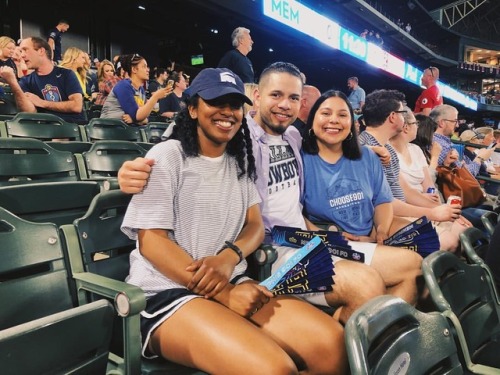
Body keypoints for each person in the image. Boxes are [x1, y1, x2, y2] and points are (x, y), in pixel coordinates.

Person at [118, 62, 421, 325]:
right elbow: (183, 140)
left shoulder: (292, 135)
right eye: (276, 95)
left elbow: (331, 144)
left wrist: (369, 151)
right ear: (257, 97)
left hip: (308, 239)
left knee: (411, 266)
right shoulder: (237, 132)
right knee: (366, 285)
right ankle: (349, 339)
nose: (285, 105)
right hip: (269, 250)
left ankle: (371, 341)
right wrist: (128, 170)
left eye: (293, 98)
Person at [120, 67, 347, 374]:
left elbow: (254, 224)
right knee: (274, 369)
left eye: (234, 104)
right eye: (216, 101)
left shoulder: (237, 160)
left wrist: (230, 258)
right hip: (166, 293)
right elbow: (151, 243)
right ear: (192, 108)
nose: (227, 112)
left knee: (332, 343)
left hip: (232, 279)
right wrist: (224, 294)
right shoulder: (168, 154)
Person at [358, 90, 464, 226]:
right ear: (393, 117)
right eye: (403, 114)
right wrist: (432, 213)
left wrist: (442, 209)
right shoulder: (367, 150)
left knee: (457, 228)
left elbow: (405, 191)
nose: (406, 119)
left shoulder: (387, 148)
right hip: (382, 222)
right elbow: (383, 203)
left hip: (399, 213)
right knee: (453, 236)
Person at [390, 106, 471, 252]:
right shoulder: (387, 153)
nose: (418, 127)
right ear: (406, 127)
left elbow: (430, 186)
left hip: (427, 204)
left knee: (464, 230)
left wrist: (444, 210)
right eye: (416, 123)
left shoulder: (415, 150)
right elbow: (405, 194)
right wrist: (436, 209)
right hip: (410, 210)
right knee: (449, 241)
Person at [0, 36, 86, 124]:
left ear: (41, 51)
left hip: (72, 127)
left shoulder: (66, 74)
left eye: (25, 50)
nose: (22, 55)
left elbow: (76, 106)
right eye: (21, 51)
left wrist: (42, 103)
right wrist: (13, 82)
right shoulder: (26, 81)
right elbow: (29, 112)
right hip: (43, 129)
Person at [100, 54, 172, 125]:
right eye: (144, 67)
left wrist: (136, 120)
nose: (148, 70)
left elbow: (146, 117)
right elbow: (137, 116)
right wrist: (155, 97)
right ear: (134, 69)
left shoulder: (141, 90)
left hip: (125, 131)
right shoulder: (123, 86)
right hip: (108, 130)